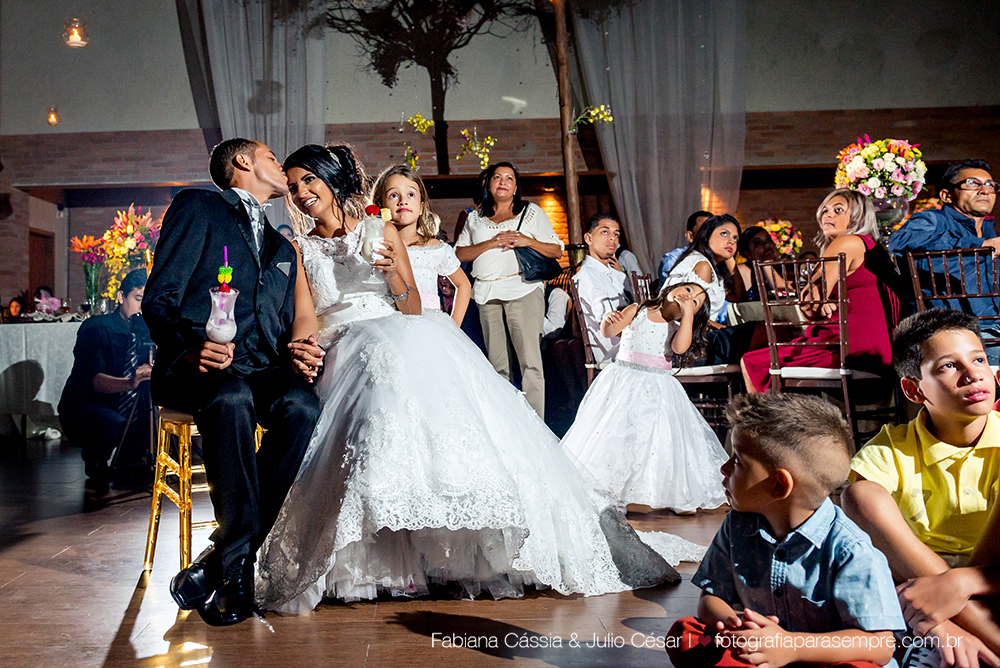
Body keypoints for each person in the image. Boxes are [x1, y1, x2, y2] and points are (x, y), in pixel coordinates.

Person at [253, 143, 702, 613]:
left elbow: (408, 304)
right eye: (294, 183)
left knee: (410, 372)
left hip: (394, 325)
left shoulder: (380, 229)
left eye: (311, 180)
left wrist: (392, 276)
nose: (302, 192)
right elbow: (307, 315)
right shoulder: (298, 248)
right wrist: (303, 349)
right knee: (375, 378)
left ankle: (448, 527)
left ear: (332, 180)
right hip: (341, 338)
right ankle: (373, 549)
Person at [143, 137, 321, 626]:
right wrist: (191, 345)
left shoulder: (284, 245)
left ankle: (221, 557)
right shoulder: (199, 206)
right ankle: (238, 570)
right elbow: (159, 297)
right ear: (243, 162)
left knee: (303, 407)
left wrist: (302, 353)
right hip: (199, 367)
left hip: (261, 365)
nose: (281, 166)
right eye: (270, 157)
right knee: (232, 397)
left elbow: (284, 322)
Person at [666, 393, 904, 668]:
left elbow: (879, 645)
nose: (724, 468)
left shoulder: (852, 551)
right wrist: (738, 628)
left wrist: (791, 646)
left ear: (779, 485)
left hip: (824, 659)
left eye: (738, 461)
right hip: (763, 651)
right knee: (686, 635)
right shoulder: (736, 525)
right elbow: (711, 598)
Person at [843, 309, 1000, 668]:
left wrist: (960, 584)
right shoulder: (889, 452)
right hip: (917, 598)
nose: (973, 373)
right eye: (948, 366)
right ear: (914, 390)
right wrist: (945, 622)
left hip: (992, 584)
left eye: (979, 359)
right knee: (859, 495)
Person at [560, 282, 727, 513]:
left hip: (657, 386)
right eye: (687, 290)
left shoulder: (678, 327)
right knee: (617, 433)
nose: (687, 298)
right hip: (623, 379)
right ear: (672, 288)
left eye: (694, 302)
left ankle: (669, 493)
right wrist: (608, 321)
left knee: (654, 439)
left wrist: (687, 315)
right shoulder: (638, 310)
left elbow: (679, 349)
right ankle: (613, 490)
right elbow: (609, 332)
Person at [740, 190, 904, 392]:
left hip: (848, 349)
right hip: (878, 349)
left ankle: (763, 423)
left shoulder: (845, 242)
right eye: (825, 210)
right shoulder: (869, 245)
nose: (828, 215)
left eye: (838, 210)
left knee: (752, 362)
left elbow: (808, 309)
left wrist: (818, 301)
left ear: (858, 216)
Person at [455, 162, 564, 418]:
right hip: (486, 294)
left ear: (516, 187)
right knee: (497, 366)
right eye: (497, 177)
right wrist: (491, 243)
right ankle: (507, 423)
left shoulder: (531, 212)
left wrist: (526, 240)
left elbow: (556, 250)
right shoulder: (475, 218)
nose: (503, 182)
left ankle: (536, 425)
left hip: (523, 289)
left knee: (530, 363)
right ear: (489, 185)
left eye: (509, 178)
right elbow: (459, 253)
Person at [888, 159, 1000, 361]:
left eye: (990, 185)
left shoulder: (989, 231)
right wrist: (979, 245)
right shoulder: (933, 220)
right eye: (973, 183)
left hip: (994, 327)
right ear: (947, 195)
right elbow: (902, 241)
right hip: (954, 331)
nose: (985, 190)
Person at [59, 268, 154, 493]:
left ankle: (127, 462)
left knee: (154, 423)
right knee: (116, 426)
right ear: (121, 297)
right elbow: (95, 380)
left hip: (126, 408)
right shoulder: (96, 328)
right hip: (88, 406)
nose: (142, 307)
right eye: (138, 299)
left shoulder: (145, 331)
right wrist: (130, 382)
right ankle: (96, 458)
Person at [371, 164, 471, 327]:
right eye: (394, 195)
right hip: (388, 321)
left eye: (410, 194)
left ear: (421, 207)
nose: (403, 201)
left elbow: (463, 284)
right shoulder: (377, 246)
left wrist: (454, 326)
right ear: (381, 205)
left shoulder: (436, 248)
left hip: (429, 323)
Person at [667, 214, 754, 364]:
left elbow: (738, 296)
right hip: (689, 347)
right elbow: (688, 314)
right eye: (724, 234)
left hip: (697, 339)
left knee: (761, 333)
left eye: (735, 238)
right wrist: (720, 328)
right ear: (706, 235)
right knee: (770, 331)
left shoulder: (711, 266)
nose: (731, 241)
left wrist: (729, 258)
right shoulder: (702, 265)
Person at [572, 213, 630, 365]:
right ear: (588, 238)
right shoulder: (587, 276)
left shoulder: (617, 274)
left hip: (629, 345)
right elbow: (612, 325)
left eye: (616, 234)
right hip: (613, 353)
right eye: (605, 232)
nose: (612, 238)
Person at [658, 209, 713, 284]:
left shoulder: (720, 261)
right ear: (690, 236)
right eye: (704, 230)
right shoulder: (673, 259)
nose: (710, 235)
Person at [735, 226, 786, 301]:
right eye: (757, 243)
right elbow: (779, 287)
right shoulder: (742, 270)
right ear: (747, 253)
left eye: (768, 239)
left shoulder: (780, 268)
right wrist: (766, 264)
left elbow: (789, 291)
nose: (766, 244)